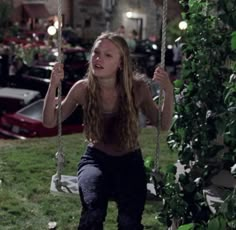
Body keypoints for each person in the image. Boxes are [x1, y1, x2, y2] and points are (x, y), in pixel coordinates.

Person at [42, 32, 174, 230]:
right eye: (96, 53)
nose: (98, 58)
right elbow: (50, 121)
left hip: (130, 162)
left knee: (129, 222)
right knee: (93, 212)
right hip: (95, 160)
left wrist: (168, 91)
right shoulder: (82, 89)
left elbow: (162, 124)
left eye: (107, 55)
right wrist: (53, 85)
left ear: (121, 63)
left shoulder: (138, 89)